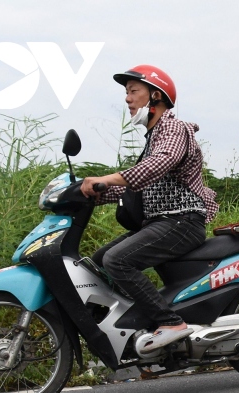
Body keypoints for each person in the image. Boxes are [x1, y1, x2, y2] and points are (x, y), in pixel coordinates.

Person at [81, 65, 218, 352]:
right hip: (161, 223)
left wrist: (106, 178)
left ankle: (170, 323)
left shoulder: (173, 128)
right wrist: (87, 192)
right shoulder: (153, 137)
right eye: (127, 93)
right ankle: (134, 326)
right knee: (97, 262)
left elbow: (158, 165)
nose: (128, 99)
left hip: (182, 221)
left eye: (134, 91)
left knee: (117, 260)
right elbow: (136, 187)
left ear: (155, 96)